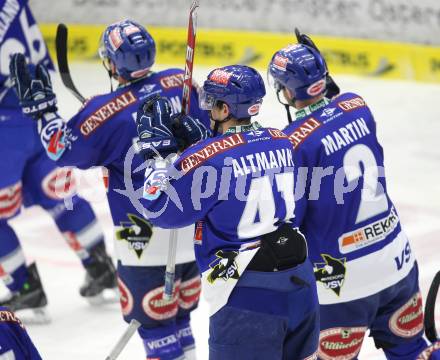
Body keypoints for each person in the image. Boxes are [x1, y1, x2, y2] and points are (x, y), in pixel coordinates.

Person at [9, 19, 209, 359]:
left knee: (157, 330)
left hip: (142, 240)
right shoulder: (183, 81)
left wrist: (43, 113)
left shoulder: (102, 114)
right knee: (181, 319)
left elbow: (60, 149)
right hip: (194, 228)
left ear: (112, 63)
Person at [268, 34, 440, 360]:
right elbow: (335, 112)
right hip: (396, 264)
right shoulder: (358, 106)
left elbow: (290, 225)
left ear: (288, 91)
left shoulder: (293, 145)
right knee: (416, 351)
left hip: (340, 285)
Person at [137, 65, 319, 360]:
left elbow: (157, 207)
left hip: (248, 295)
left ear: (224, 108)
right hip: (300, 281)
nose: (206, 108)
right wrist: (198, 149)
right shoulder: (282, 140)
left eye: (211, 102)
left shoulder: (208, 158)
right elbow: (237, 161)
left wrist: (160, 157)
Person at [0, 0, 116, 323]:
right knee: (59, 197)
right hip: (39, 110)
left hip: (4, 132)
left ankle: (24, 287)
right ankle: (100, 267)